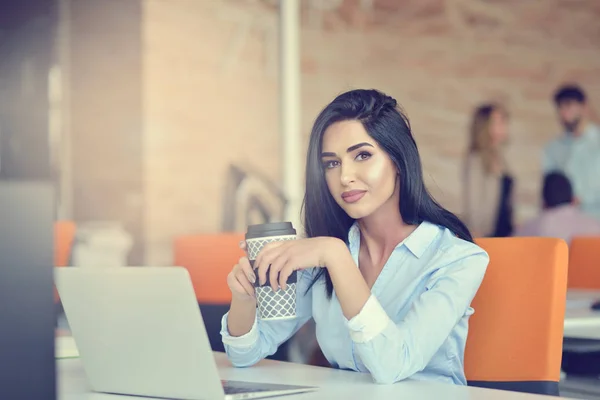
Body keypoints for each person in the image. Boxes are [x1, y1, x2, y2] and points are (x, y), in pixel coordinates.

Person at [220, 89, 489, 385]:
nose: (344, 176)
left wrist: (336, 257)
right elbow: (244, 355)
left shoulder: (458, 260)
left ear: (397, 160)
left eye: (362, 155)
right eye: (331, 163)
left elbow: (393, 364)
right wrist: (244, 299)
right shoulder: (324, 252)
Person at [543, 84, 600, 220]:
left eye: (568, 105)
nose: (563, 112)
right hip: (565, 227)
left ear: (584, 107)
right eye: (560, 108)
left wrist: (583, 199)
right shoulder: (553, 148)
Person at [463, 103, 513, 238]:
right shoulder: (476, 159)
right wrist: (477, 233)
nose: (503, 126)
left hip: (505, 233)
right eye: (498, 122)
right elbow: (473, 201)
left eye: (504, 121)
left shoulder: (502, 158)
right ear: (485, 126)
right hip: (486, 235)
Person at [514, 172, 600, 244]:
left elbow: (508, 250)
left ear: (544, 203)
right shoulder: (595, 226)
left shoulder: (534, 226)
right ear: (574, 200)